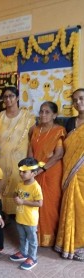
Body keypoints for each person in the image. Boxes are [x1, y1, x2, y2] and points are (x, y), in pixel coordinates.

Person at [0, 86, 36, 215]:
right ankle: (3, 214)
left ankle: (18, 215)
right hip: (2, 160)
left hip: (21, 161)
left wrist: (30, 162)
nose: (8, 99)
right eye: (5, 97)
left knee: (19, 185)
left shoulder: (28, 117)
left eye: (11, 96)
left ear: (17, 98)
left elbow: (33, 141)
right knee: (1, 186)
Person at [29, 101, 66, 247]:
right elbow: (30, 149)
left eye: (47, 112)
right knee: (35, 203)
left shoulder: (59, 130)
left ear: (54, 115)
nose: (43, 115)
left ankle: (49, 237)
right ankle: (36, 237)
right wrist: (30, 167)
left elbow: (58, 154)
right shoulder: (35, 130)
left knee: (49, 204)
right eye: (41, 111)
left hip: (52, 172)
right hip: (36, 171)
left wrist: (42, 169)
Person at [55, 88, 84, 262]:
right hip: (70, 170)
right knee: (70, 205)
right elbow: (65, 145)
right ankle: (69, 244)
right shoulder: (70, 123)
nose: (78, 102)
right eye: (75, 100)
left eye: (81, 98)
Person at [9, 157, 43, 271]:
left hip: (30, 220)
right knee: (22, 237)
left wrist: (23, 201)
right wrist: (15, 197)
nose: (21, 174)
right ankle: (23, 253)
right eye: (20, 171)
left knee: (32, 240)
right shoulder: (20, 184)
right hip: (20, 217)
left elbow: (40, 203)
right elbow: (15, 193)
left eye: (24, 172)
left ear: (34, 173)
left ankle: (32, 258)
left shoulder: (35, 187)